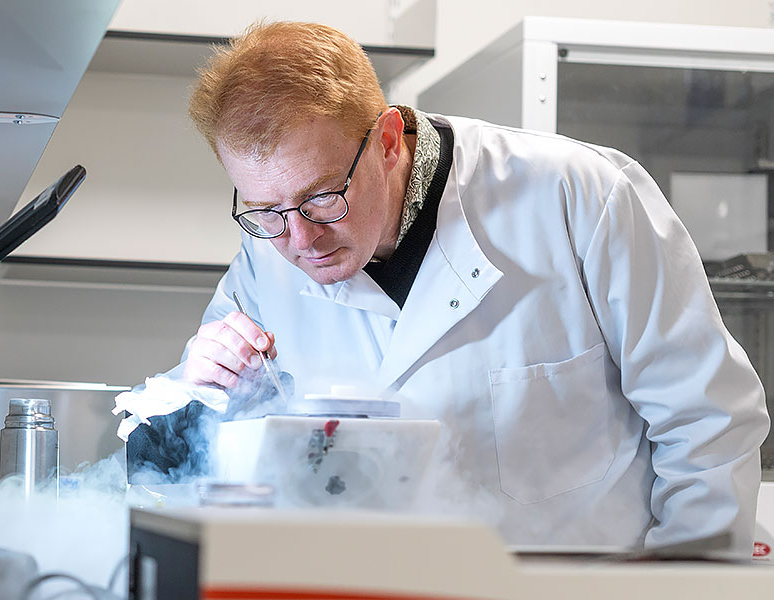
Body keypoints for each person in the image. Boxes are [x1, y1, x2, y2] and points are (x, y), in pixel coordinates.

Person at [132, 20, 770, 557]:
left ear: (386, 140)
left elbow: (708, 422)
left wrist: (686, 583)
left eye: (322, 197)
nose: (300, 240)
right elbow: (195, 454)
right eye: (267, 210)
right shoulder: (264, 255)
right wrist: (197, 385)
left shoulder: (577, 195)